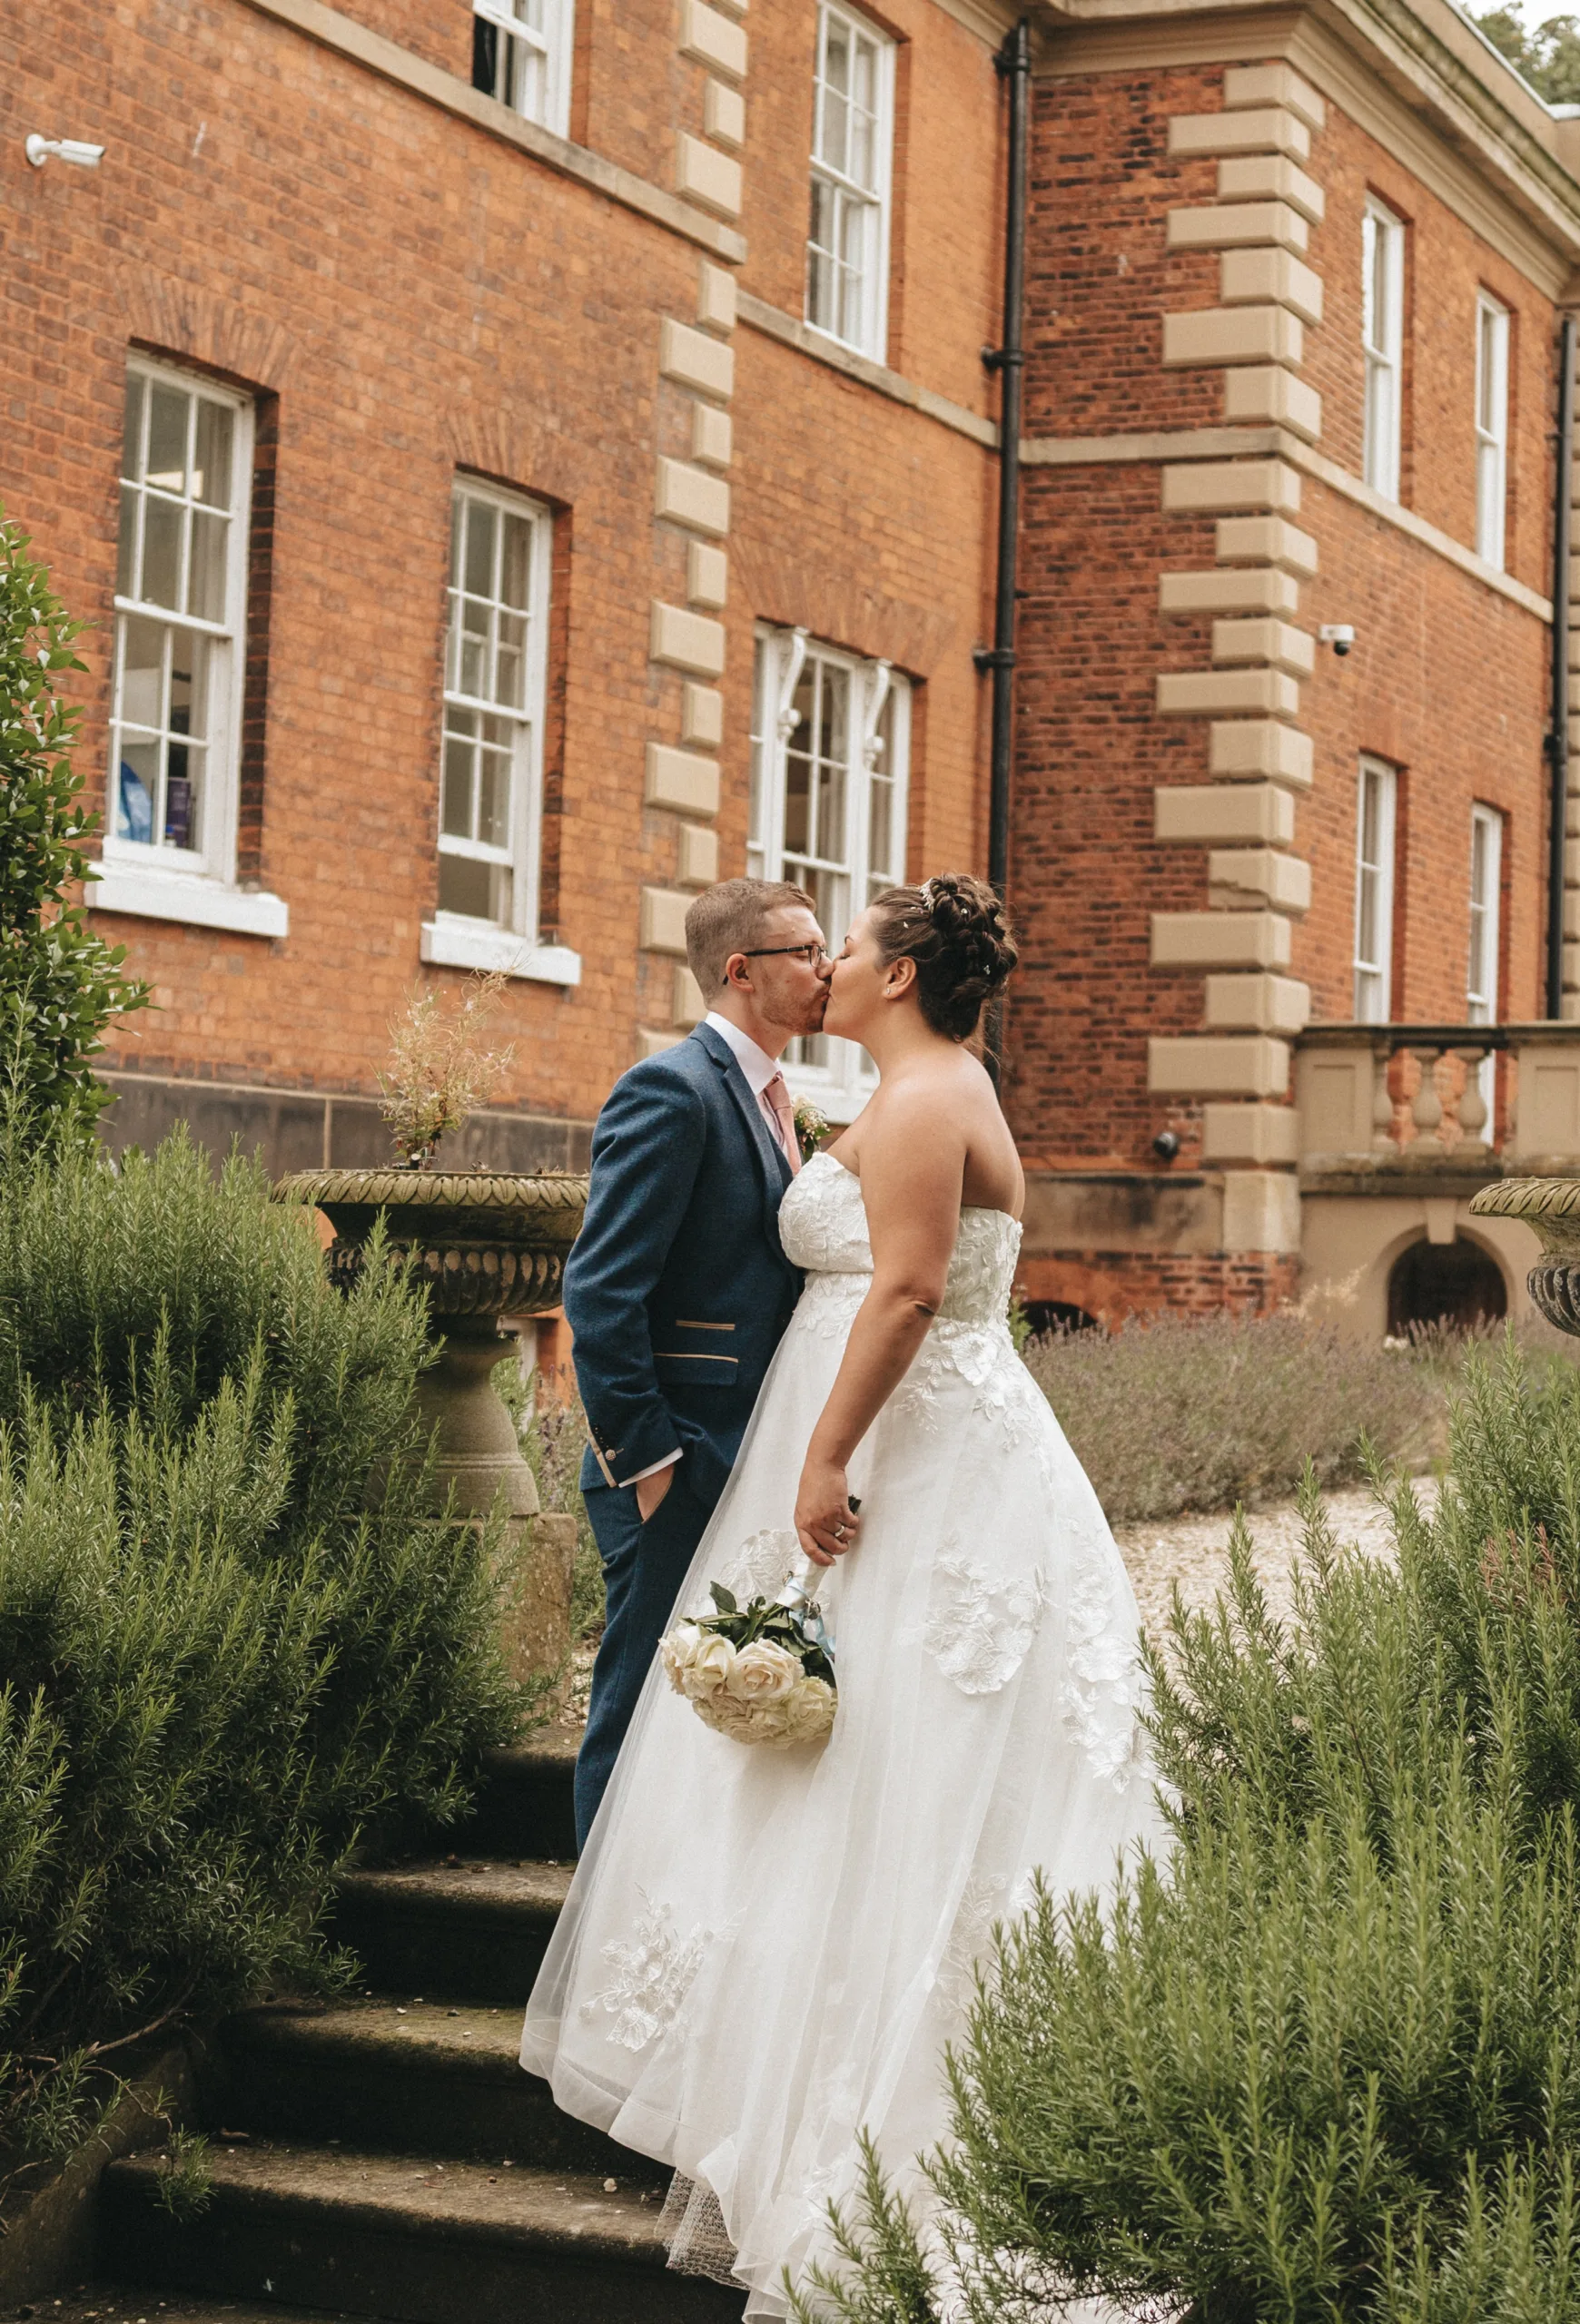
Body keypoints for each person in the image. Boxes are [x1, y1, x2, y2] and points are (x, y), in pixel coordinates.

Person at [523, 874, 1164, 2318]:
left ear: (901, 976)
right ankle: (748, 2055)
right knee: (805, 1766)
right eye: (818, 950)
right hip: (849, 1449)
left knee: (893, 1771)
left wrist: (821, 1455)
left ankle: (869, 2108)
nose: (836, 965)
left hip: (904, 1460)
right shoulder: (896, 1087)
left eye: (854, 947)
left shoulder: (932, 1093)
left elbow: (908, 1290)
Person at [563, 877, 833, 1847]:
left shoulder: (774, 1096)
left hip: (746, 1457)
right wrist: (651, 1465)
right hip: (678, 1462)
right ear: (741, 970)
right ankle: (590, 1947)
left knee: (699, 1719)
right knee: (635, 1709)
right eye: (805, 951)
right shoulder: (671, 1089)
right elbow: (599, 1292)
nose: (827, 966)